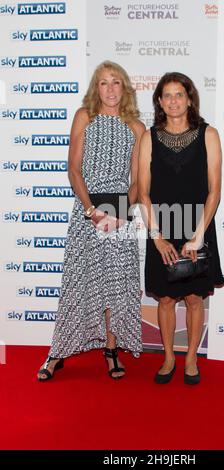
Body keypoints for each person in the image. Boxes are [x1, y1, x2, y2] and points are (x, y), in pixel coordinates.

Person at [37, 60, 145, 381]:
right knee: (78, 282)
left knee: (115, 285)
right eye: (103, 83)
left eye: (116, 82)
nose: (110, 89)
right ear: (95, 88)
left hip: (120, 212)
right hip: (87, 209)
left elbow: (138, 179)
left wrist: (121, 214)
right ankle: (57, 352)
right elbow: (74, 169)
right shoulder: (84, 117)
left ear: (124, 88)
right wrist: (90, 210)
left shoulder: (137, 128)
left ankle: (111, 350)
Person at [138, 72, 224, 385]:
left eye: (179, 94)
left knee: (193, 298)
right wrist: (157, 237)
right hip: (162, 227)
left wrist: (198, 235)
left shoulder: (208, 134)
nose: (173, 101)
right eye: (167, 95)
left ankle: (190, 358)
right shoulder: (149, 137)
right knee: (164, 299)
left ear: (189, 98)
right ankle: (168, 357)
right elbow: (144, 192)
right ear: (159, 101)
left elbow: (215, 189)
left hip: (198, 226)